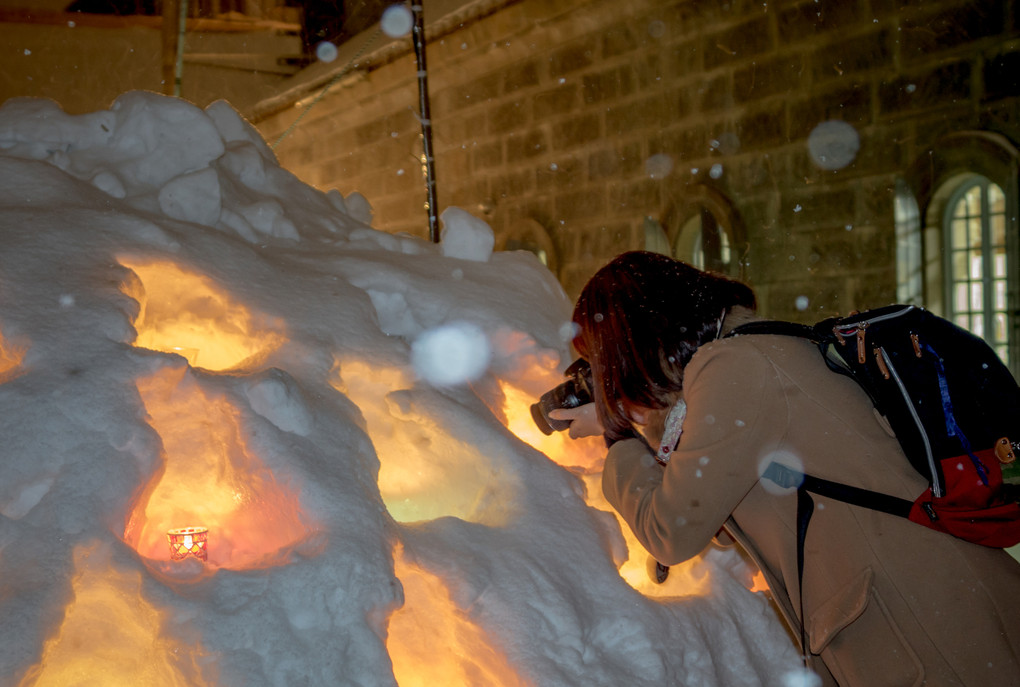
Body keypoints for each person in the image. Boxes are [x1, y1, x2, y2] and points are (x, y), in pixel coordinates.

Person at [550, 251, 1020, 686]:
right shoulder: (757, 354)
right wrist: (646, 423)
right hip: (930, 610)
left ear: (633, 339)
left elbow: (671, 531)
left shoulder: (735, 368)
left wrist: (616, 438)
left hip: (924, 625)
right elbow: (724, 515)